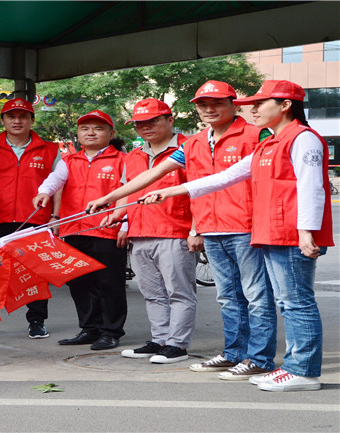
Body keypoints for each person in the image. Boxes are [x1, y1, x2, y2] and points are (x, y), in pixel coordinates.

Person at [143, 80, 333, 392]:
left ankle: (303, 371)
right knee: (286, 302)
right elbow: (225, 177)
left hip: (291, 234)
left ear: (286, 105)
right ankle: (291, 366)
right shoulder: (270, 143)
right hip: (272, 233)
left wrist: (306, 232)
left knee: (296, 303)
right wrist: (172, 191)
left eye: (260, 104)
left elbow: (311, 186)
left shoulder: (303, 138)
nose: (253, 110)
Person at [86, 81, 277, 375]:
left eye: (217, 103)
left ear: (233, 104)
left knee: (255, 296)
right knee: (228, 297)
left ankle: (259, 358)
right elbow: (153, 174)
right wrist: (109, 199)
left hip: (246, 227)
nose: (209, 109)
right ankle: (234, 353)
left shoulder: (257, 135)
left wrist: (193, 229)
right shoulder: (195, 143)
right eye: (203, 104)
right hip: (214, 228)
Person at [0, 98, 62, 339]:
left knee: (35, 272)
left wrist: (55, 215)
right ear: (3, 120)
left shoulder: (51, 150)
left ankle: (37, 321)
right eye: (11, 116)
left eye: (23, 116)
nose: (17, 121)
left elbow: (59, 185)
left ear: (32, 120)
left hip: (35, 217)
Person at [33, 110, 127, 350]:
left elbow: (129, 192)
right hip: (74, 230)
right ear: (78, 134)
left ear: (111, 134)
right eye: (85, 129)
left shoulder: (122, 160)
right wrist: (44, 192)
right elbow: (55, 179)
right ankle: (89, 328)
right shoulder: (69, 161)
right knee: (79, 283)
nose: (91, 133)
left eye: (98, 128)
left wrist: (125, 223)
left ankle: (110, 332)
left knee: (109, 283)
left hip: (107, 229)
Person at [116, 99, 199, 363]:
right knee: (152, 293)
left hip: (175, 232)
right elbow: (127, 191)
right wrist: (120, 219)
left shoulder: (190, 148)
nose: (145, 127)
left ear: (170, 120)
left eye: (152, 121)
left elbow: (201, 192)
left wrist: (196, 230)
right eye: (139, 123)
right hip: (140, 233)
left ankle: (177, 345)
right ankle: (159, 340)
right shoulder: (134, 155)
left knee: (179, 292)